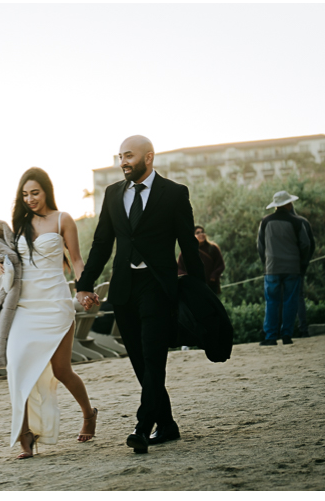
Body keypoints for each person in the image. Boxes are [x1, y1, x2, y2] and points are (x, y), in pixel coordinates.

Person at [75, 135, 205, 454]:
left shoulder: (174, 193)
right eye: (120, 157)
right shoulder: (112, 193)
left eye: (129, 156)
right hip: (124, 287)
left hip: (158, 286)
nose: (123, 162)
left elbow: (188, 245)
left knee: (153, 356)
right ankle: (168, 424)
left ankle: (143, 426)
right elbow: (102, 243)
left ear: (149, 158)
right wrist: (84, 283)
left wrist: (200, 291)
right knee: (139, 361)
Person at [3, 167, 98, 458]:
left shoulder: (62, 219)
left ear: (46, 191)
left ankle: (88, 413)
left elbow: (77, 260)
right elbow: (13, 267)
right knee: (17, 367)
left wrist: (84, 288)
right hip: (25, 308)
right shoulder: (19, 226)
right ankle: (26, 434)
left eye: (35, 193)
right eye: (25, 194)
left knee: (61, 370)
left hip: (55, 304)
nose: (30, 199)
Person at [257, 190, 311, 347]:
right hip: (292, 267)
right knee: (290, 301)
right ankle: (287, 335)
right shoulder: (297, 222)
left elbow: (260, 246)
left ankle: (271, 336)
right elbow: (305, 244)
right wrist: (302, 262)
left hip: (272, 267)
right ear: (288, 204)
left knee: (272, 302)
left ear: (275, 206)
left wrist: (265, 262)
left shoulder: (265, 222)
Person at [289, 204, 316, 337]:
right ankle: (302, 328)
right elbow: (311, 244)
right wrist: (305, 262)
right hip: (300, 265)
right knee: (299, 295)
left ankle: (284, 330)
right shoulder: (303, 221)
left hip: (282, 265)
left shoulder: (277, 222)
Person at [178, 225, 225, 295]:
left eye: (202, 232)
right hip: (195, 287)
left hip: (211, 285)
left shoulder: (213, 248)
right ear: (193, 235)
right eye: (198, 233)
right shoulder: (187, 251)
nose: (201, 234)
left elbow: (221, 265)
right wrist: (188, 278)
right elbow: (179, 268)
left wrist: (214, 275)